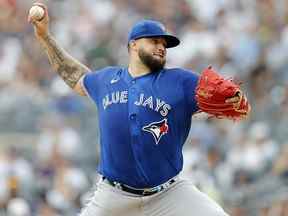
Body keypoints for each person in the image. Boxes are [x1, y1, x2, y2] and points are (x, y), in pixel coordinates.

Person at [28, 3, 243, 216]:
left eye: (164, 44)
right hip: (114, 196)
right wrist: (45, 37)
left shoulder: (180, 81)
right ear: (133, 45)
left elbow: (223, 100)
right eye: (154, 41)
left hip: (169, 194)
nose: (161, 47)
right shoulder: (106, 79)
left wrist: (233, 98)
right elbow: (74, 75)